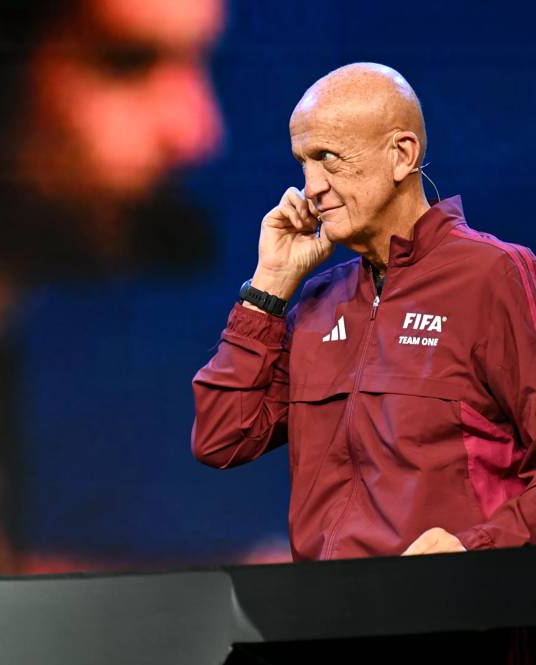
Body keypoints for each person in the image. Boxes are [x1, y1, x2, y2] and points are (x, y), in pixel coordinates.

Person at [192, 62, 536, 560]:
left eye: (328, 158)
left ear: (401, 154)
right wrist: (269, 288)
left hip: (455, 623)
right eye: (303, 162)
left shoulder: (494, 276)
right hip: (330, 626)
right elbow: (221, 438)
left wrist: (474, 548)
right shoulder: (316, 300)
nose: (311, 187)